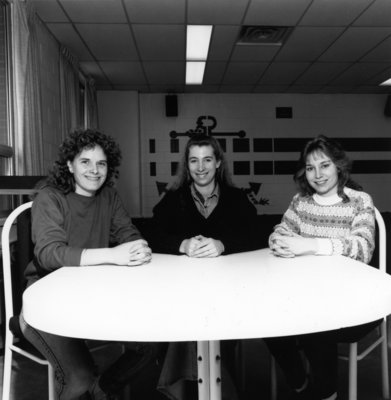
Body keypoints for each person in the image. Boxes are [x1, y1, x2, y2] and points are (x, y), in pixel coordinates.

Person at [20, 129, 156, 400]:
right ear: (69, 164)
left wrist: (136, 247)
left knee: (152, 342)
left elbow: (128, 235)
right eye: (85, 162)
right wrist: (113, 255)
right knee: (78, 378)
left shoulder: (109, 197)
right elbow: (49, 253)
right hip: (44, 304)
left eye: (101, 163)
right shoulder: (50, 196)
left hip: (93, 296)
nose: (95, 170)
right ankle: (88, 386)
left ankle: (103, 388)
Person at [147, 133, 264, 400]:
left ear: (219, 163)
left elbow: (256, 236)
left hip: (228, 293)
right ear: (186, 166)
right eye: (194, 161)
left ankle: (195, 386)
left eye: (207, 160)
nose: (201, 167)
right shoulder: (172, 199)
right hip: (184, 291)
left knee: (212, 332)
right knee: (188, 324)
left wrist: (224, 245)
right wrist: (182, 244)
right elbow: (151, 236)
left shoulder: (236, 199)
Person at [265, 135, 378, 400]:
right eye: (310, 167)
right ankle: (300, 382)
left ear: (338, 165)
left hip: (353, 301)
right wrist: (278, 241)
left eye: (324, 165)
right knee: (267, 319)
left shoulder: (359, 201)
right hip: (306, 295)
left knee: (318, 323)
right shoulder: (301, 201)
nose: (317, 174)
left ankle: (327, 394)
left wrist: (311, 245)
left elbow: (362, 248)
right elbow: (281, 230)